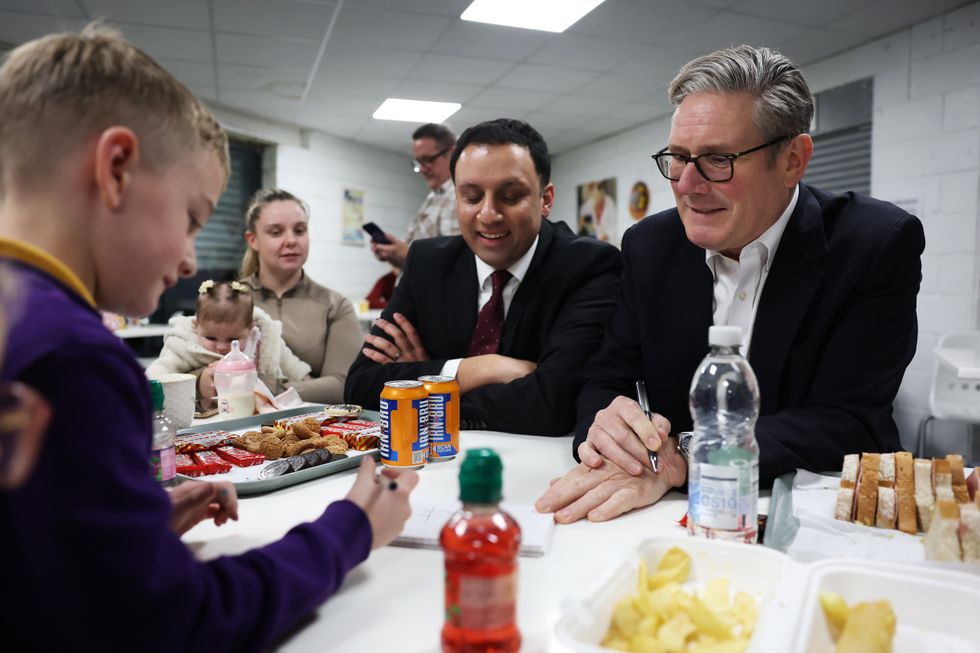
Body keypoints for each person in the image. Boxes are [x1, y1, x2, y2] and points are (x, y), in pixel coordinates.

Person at [0, 25, 418, 650]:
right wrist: (352, 527)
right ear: (115, 170)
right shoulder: (75, 357)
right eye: (192, 218)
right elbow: (178, 620)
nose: (193, 260)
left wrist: (127, 528)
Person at [536, 44, 924, 523]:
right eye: (678, 158)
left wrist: (687, 455)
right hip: (670, 514)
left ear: (792, 161)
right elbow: (607, 377)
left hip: (822, 515)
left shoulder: (874, 244)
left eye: (718, 159)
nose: (687, 184)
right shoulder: (649, 245)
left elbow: (849, 422)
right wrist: (610, 428)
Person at [345, 119, 622, 436]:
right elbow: (359, 386)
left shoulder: (590, 266)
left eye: (511, 195)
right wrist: (475, 369)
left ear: (545, 199)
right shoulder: (427, 263)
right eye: (472, 197)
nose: (488, 215)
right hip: (432, 464)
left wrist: (430, 380)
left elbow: (552, 404)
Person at [240, 188, 362, 404]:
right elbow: (195, 370)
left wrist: (267, 390)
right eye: (276, 232)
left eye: (299, 230)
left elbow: (346, 384)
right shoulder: (230, 299)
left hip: (315, 430)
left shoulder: (335, 305)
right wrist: (312, 386)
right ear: (253, 240)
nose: (291, 240)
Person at [146, 279, 312, 409]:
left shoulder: (262, 340)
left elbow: (287, 361)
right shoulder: (184, 344)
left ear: (250, 330)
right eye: (210, 338)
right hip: (207, 416)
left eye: (233, 340)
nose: (222, 347)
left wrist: (305, 378)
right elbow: (160, 371)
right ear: (196, 327)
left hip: (257, 412)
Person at [370, 123, 459, 271]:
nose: (422, 169)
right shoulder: (433, 197)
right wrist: (394, 254)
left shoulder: (457, 197)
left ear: (452, 153)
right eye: (418, 162)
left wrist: (408, 255)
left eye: (428, 160)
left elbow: (456, 261)